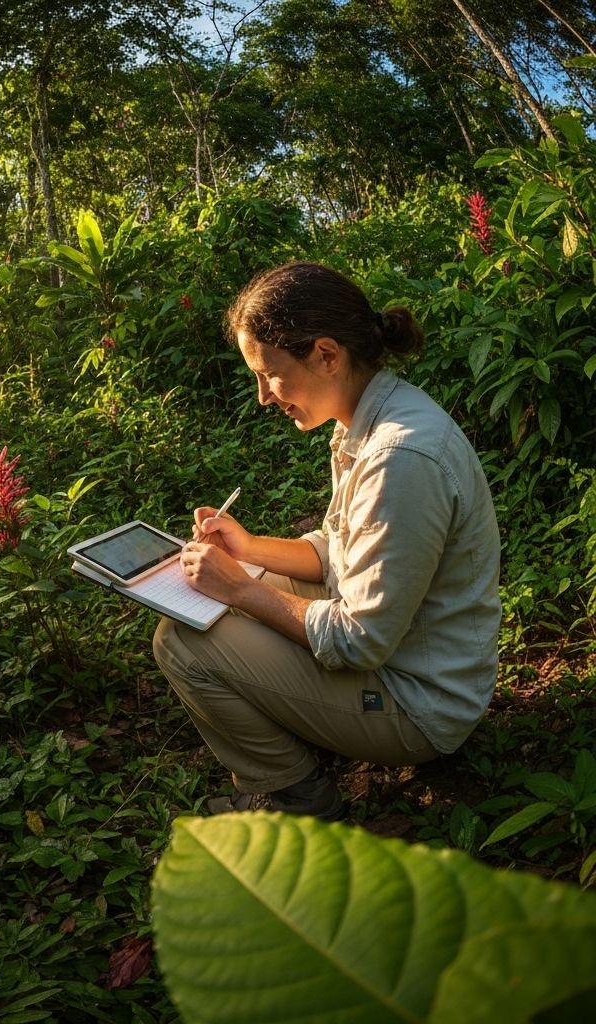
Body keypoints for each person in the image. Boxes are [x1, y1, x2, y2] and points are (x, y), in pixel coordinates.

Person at [153, 261, 501, 821]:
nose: (264, 396)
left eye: (269, 374)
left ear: (327, 354)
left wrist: (242, 591)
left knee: (182, 642)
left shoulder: (399, 458)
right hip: (409, 657)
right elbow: (340, 550)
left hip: (419, 705)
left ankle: (293, 794)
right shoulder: (371, 418)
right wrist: (247, 550)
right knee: (241, 589)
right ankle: (307, 731)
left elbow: (360, 640)